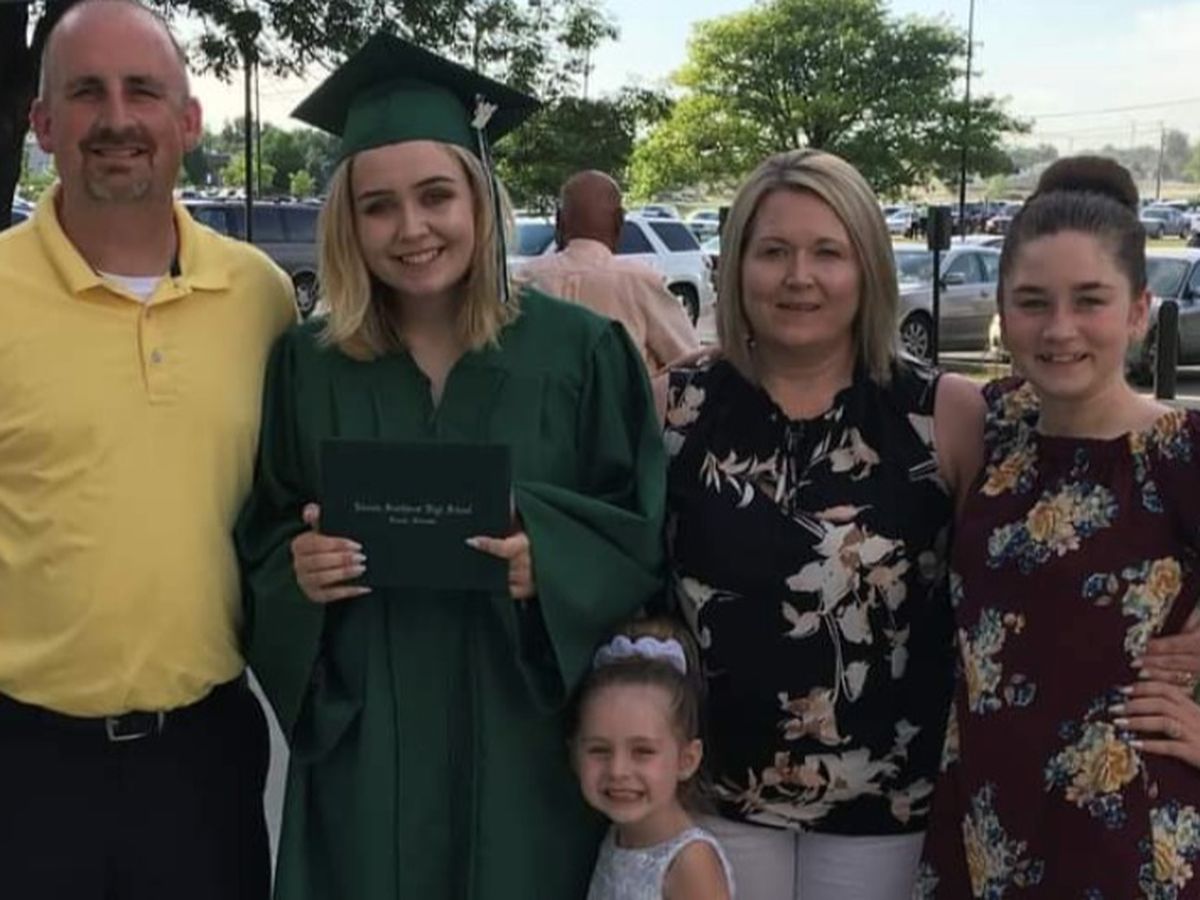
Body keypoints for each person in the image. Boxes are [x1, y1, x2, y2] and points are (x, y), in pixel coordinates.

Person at [235, 33, 666, 900]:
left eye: (436, 195)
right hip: (365, 743)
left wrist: (553, 559)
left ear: (479, 197)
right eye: (378, 207)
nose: (412, 229)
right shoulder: (309, 365)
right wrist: (297, 570)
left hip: (524, 740)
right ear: (348, 223)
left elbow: (639, 525)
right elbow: (266, 531)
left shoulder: (580, 353)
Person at [0, 1, 296, 898]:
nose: (117, 117)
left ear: (189, 120)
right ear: (43, 122)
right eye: (86, 92)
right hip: (23, 764)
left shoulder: (260, 298)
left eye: (143, 90)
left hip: (202, 761)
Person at [661, 148, 985, 900]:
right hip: (717, 791)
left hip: (890, 801)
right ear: (736, 266)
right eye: (773, 251)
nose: (798, 276)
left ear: (868, 265)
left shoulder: (944, 414)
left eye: (827, 253)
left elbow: (1015, 575)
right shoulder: (674, 408)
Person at [917, 157, 1200, 897]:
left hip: (1126, 835)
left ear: (1138, 311)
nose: (1060, 328)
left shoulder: (1180, 453)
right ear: (1003, 313)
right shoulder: (993, 425)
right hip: (986, 818)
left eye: (1091, 300)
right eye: (1033, 302)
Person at [572, 620, 735, 900]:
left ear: (686, 760)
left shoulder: (690, 864)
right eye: (599, 750)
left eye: (643, 751)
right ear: (574, 753)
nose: (618, 770)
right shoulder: (617, 836)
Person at [517, 170, 699, 373]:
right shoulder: (640, 282)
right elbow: (690, 361)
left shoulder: (527, 279)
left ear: (559, 220)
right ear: (620, 221)